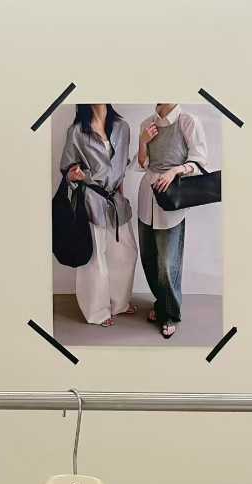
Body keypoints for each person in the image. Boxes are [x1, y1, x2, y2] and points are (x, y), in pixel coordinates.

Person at [58, 104, 137, 326]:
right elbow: (66, 168)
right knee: (95, 260)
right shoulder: (77, 131)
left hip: (115, 201)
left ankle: (119, 303)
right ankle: (97, 312)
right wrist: (73, 174)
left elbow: (121, 168)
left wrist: (122, 196)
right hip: (91, 200)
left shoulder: (122, 127)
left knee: (126, 253)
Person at [136, 104, 209, 339]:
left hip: (171, 198)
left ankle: (170, 314)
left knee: (168, 264)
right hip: (147, 196)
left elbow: (199, 161)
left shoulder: (188, 121)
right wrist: (142, 141)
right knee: (148, 258)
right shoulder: (146, 123)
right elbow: (142, 164)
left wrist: (175, 170)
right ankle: (161, 303)